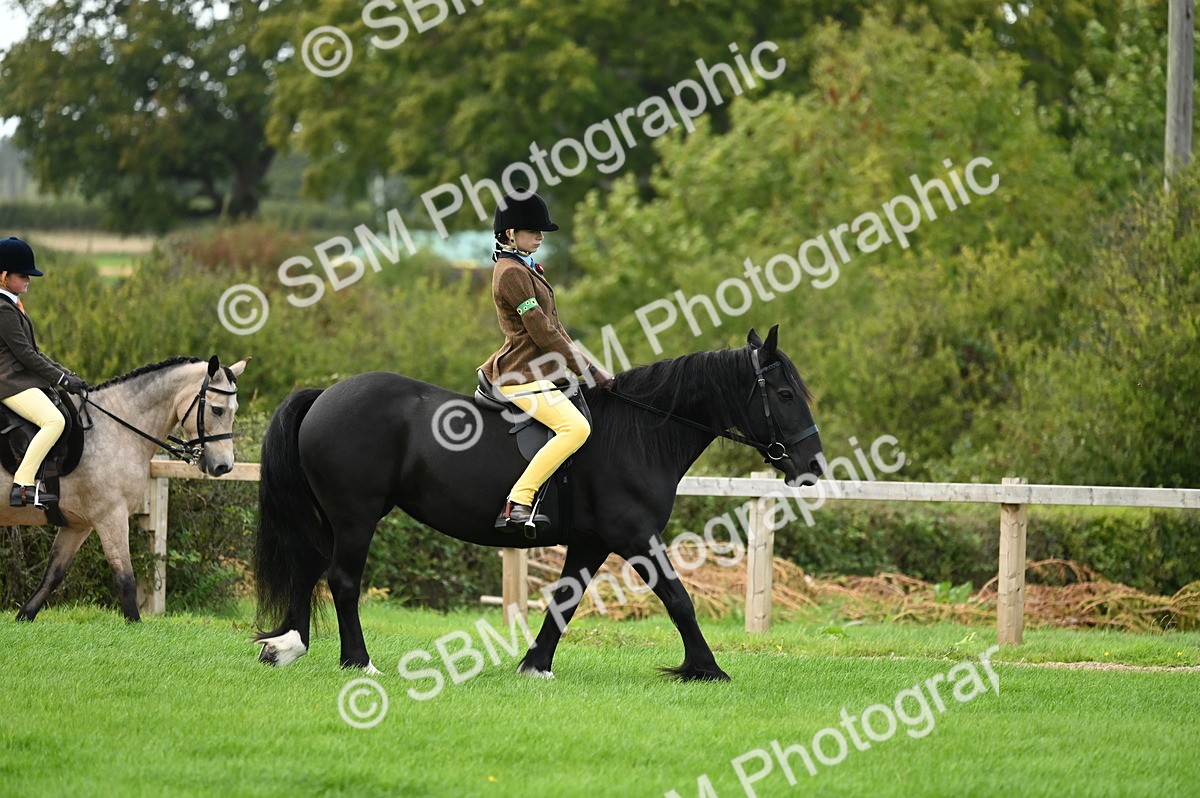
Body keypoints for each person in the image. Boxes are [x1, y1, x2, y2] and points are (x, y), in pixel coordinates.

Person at [479, 189, 614, 529]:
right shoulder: (511, 273)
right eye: (533, 230)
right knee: (576, 428)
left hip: (541, 371)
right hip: (520, 374)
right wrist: (587, 369)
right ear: (510, 234)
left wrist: (590, 366)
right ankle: (518, 501)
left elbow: (556, 328)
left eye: (541, 231)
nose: (540, 236)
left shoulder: (526, 268)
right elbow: (542, 332)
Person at [0, 237, 87, 508]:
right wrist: (59, 379)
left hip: (19, 379)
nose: (28, 280)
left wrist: (67, 374)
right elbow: (25, 355)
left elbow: (35, 352)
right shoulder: (3, 310)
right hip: (9, 382)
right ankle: (22, 484)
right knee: (54, 421)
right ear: (4, 276)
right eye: (22, 275)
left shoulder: (12, 306)